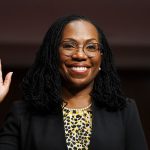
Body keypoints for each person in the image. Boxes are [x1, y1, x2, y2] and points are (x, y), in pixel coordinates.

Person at [0, 15, 148, 150]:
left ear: (101, 57)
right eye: (69, 45)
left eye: (91, 47)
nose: (80, 55)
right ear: (52, 54)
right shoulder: (22, 113)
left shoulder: (125, 111)